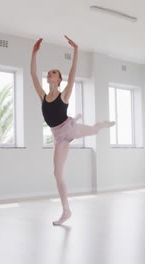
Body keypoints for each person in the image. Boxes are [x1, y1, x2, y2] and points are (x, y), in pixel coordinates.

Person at [30, 36, 115, 225]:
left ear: (59, 79)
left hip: (69, 129)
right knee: (57, 174)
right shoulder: (43, 96)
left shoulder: (64, 94)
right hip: (59, 138)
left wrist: (76, 50)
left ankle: (102, 125)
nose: (49, 74)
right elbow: (33, 75)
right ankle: (66, 211)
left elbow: (73, 72)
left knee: (93, 131)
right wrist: (34, 53)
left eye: (54, 73)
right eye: (49, 72)